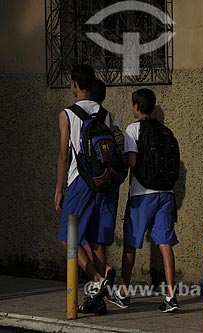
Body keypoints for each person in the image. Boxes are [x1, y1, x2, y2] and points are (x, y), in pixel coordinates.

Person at [54, 65, 118, 315]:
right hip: (105, 181)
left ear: (74, 84)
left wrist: (59, 187)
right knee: (96, 239)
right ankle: (97, 301)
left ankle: (98, 278)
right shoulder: (107, 114)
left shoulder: (67, 114)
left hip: (80, 180)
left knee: (66, 236)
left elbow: (64, 154)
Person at [108, 88, 179, 313]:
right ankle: (171, 296)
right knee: (165, 243)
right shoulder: (166, 131)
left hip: (142, 195)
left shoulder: (132, 129)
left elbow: (131, 161)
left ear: (136, 106)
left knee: (131, 243)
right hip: (166, 193)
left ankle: (122, 293)